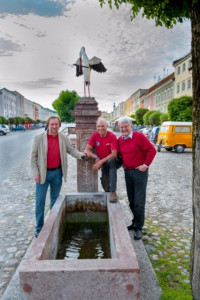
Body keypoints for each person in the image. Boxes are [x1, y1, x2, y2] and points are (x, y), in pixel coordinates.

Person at [31, 116, 86, 238]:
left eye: (56, 124)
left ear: (59, 125)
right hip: (42, 174)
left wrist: (81, 155)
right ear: (48, 124)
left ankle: (52, 225)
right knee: (40, 202)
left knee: (54, 201)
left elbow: (71, 150)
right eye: (52, 124)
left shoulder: (63, 138)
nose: (54, 126)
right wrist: (36, 173)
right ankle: (39, 228)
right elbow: (33, 157)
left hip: (57, 173)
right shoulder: (39, 138)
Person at [118, 116, 156, 240]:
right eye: (121, 127)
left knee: (139, 202)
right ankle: (135, 221)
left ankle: (139, 227)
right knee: (132, 201)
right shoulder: (120, 140)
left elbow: (152, 150)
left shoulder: (139, 136)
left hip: (139, 173)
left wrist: (145, 165)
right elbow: (119, 153)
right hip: (128, 173)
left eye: (126, 126)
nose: (124, 129)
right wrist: (123, 164)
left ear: (131, 127)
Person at [84, 118, 120, 202]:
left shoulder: (112, 136)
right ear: (96, 127)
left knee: (112, 162)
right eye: (98, 126)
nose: (100, 128)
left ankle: (113, 192)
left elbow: (114, 154)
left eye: (103, 126)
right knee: (105, 184)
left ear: (107, 126)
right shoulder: (95, 135)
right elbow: (86, 150)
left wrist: (100, 162)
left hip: (112, 160)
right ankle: (109, 193)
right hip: (103, 162)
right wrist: (96, 157)